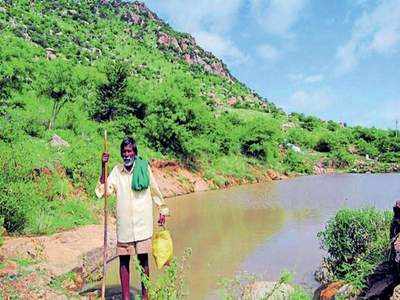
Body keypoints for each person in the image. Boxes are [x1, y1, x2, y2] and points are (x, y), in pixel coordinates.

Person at [95, 136, 169, 300]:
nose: (126, 155)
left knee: (143, 261)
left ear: (135, 153)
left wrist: (162, 210)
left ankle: (145, 296)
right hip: (125, 226)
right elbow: (104, 190)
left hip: (143, 224)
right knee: (123, 261)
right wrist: (103, 166)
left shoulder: (143, 168)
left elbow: (155, 190)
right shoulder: (116, 171)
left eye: (129, 151)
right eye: (124, 152)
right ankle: (126, 297)